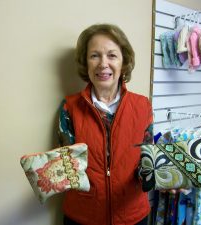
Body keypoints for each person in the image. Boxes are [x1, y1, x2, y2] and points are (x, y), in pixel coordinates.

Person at [57, 23, 153, 225]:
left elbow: (147, 160)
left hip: (133, 216)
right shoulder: (70, 107)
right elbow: (68, 168)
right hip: (82, 217)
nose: (103, 63)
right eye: (94, 55)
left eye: (112, 55)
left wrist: (164, 176)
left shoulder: (143, 105)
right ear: (86, 62)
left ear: (123, 61)